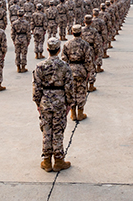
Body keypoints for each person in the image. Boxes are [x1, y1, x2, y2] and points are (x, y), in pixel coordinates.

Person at [33, 37, 74, 172]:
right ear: (59, 50)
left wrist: (38, 103)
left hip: (45, 100)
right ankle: (58, 160)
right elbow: (69, 86)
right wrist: (69, 103)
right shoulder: (65, 66)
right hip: (60, 101)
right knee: (58, 130)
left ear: (47, 50)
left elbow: (37, 86)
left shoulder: (40, 66)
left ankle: (46, 161)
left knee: (46, 131)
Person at [62, 24, 93, 121]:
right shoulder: (85, 44)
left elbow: (64, 59)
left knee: (71, 91)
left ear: (72, 32)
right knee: (81, 91)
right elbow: (88, 59)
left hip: (70, 69)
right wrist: (89, 71)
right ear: (81, 33)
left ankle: (73, 113)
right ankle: (80, 113)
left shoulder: (67, 44)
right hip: (81, 69)